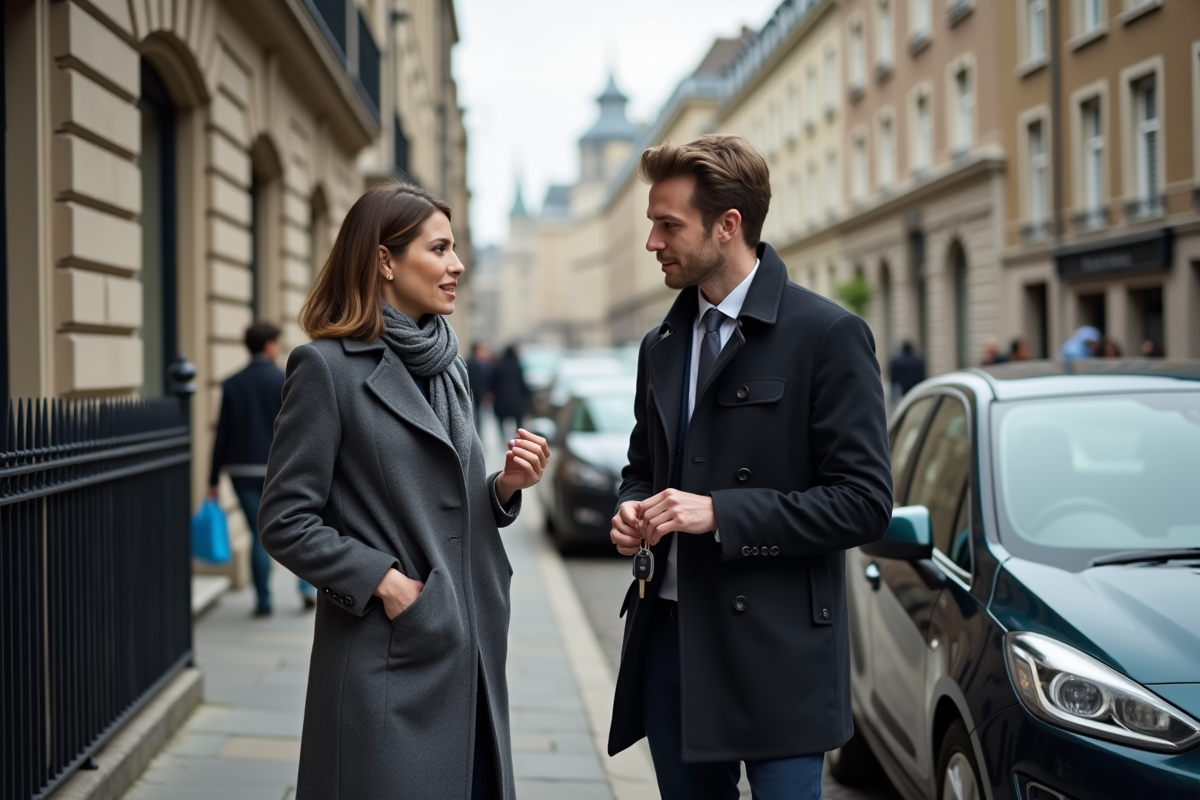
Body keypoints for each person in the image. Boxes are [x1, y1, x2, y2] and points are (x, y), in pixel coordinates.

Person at [607, 135, 893, 800]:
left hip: (779, 657)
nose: (653, 241)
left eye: (668, 224)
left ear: (727, 225)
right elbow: (640, 466)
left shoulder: (827, 335)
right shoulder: (661, 345)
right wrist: (631, 507)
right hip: (672, 649)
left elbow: (863, 502)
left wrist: (720, 513)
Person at [258, 182, 549, 799]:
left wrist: (504, 487)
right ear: (385, 260)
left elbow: (448, 499)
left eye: (456, 248)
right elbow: (285, 520)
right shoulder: (326, 368)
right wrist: (385, 583)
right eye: (439, 248)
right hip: (388, 656)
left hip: (470, 644)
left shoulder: (448, 362)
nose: (457, 265)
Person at [208, 321, 314, 616]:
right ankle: (307, 588)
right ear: (269, 345)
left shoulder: (231, 383)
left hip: (240, 469)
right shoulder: (283, 379)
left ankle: (264, 602)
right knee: (299, 526)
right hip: (278, 466)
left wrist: (212, 478)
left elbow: (222, 433)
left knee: (258, 534)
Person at [491, 345, 531, 443]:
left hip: (501, 399)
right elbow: (522, 382)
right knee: (518, 421)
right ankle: (519, 440)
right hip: (516, 399)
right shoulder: (517, 365)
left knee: (501, 421)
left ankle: (503, 439)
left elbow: (493, 382)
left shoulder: (498, 365)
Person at [466, 342, 495, 434]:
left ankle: (478, 433)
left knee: (480, 417)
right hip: (473, 393)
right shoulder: (472, 363)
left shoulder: (483, 364)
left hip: (479, 394)